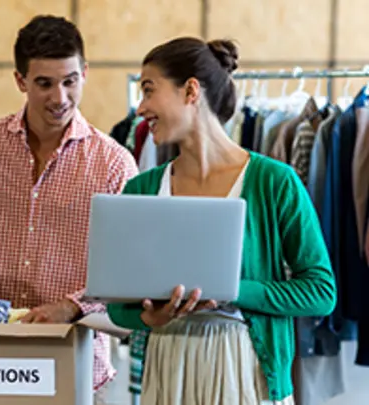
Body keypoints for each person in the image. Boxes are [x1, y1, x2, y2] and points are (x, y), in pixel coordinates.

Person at [107, 37, 336, 405]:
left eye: (149, 91)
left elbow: (321, 292)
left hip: (247, 371)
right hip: (168, 370)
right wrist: (151, 318)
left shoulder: (274, 182)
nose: (141, 107)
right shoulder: (141, 188)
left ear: (191, 90)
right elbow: (117, 305)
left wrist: (231, 291)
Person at [0, 14, 139, 403]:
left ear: (85, 73)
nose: (60, 97)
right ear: (20, 81)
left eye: (70, 81)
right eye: (44, 83)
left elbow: (126, 270)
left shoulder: (115, 164)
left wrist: (70, 306)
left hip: (78, 359)